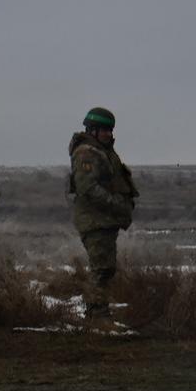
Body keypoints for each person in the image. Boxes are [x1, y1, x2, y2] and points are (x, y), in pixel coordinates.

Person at [67, 107, 138, 324]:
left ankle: (97, 314)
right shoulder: (87, 152)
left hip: (103, 220)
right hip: (95, 220)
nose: (109, 134)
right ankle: (97, 317)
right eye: (104, 130)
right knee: (101, 269)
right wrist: (116, 203)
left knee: (105, 268)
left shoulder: (102, 150)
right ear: (93, 130)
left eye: (110, 130)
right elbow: (88, 188)